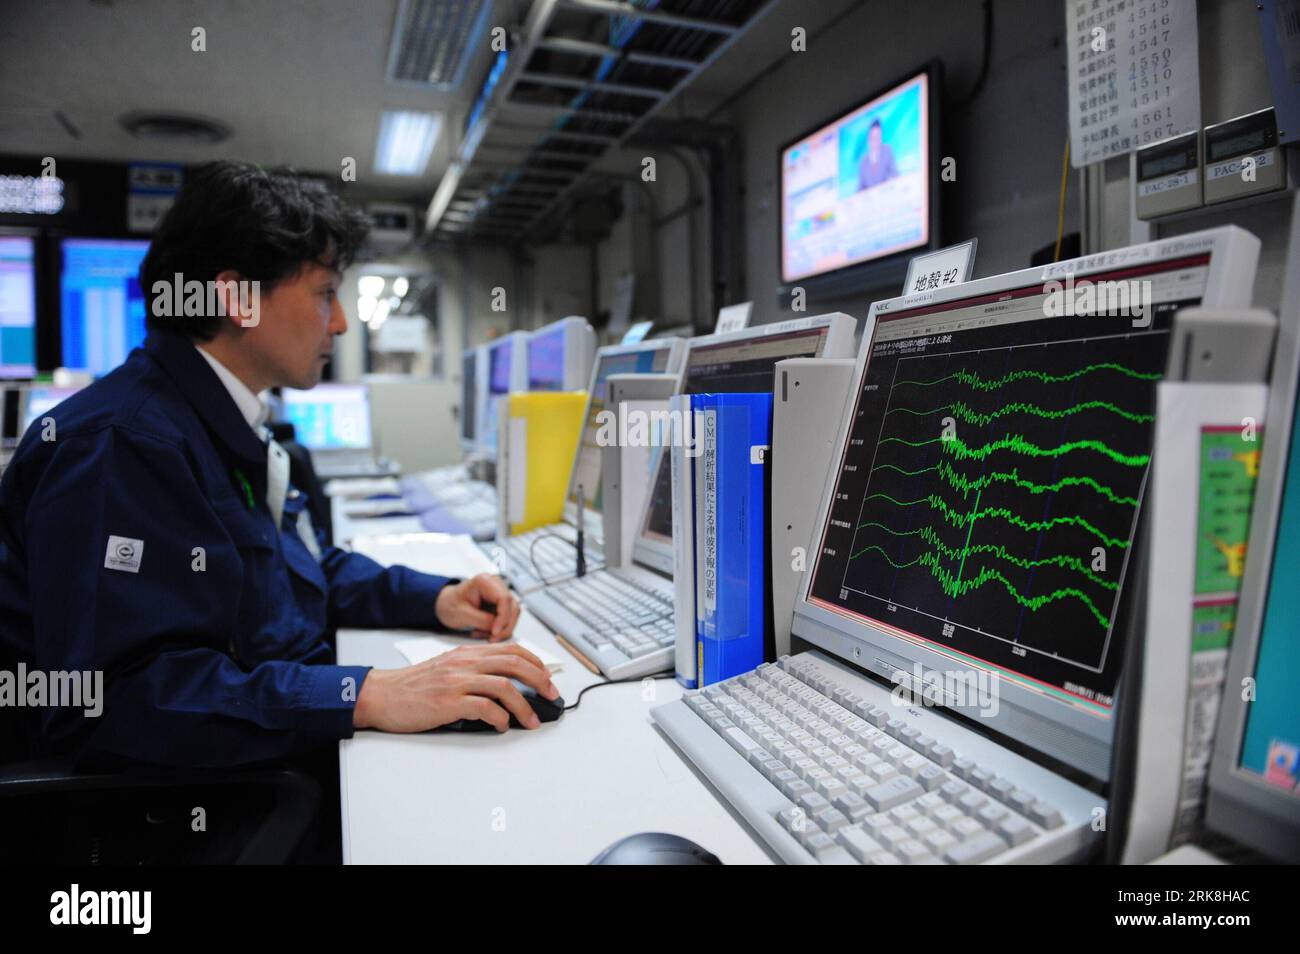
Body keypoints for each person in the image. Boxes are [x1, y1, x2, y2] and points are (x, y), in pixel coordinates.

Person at [0, 161, 557, 772]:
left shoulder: (219, 422)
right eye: (325, 293)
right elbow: (111, 701)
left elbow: (295, 579)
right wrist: (362, 693)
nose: (341, 322)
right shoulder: (121, 446)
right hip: (201, 811)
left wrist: (436, 599)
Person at [857, 118, 898, 191]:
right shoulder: (863, 161)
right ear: (869, 139)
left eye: (878, 136)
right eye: (873, 136)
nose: (876, 139)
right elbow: (860, 187)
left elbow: (895, 174)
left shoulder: (887, 151)